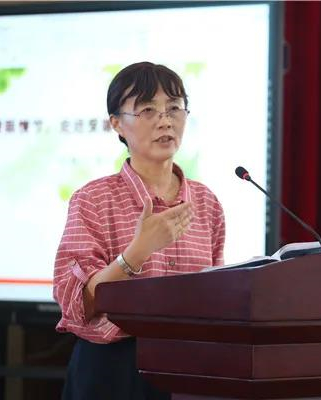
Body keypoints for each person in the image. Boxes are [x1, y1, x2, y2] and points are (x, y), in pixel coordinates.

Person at [53, 62, 226, 400]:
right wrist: (137, 253)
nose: (165, 120)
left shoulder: (206, 202)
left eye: (174, 108)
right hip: (113, 369)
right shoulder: (93, 199)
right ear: (117, 123)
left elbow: (216, 291)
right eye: (148, 110)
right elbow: (76, 304)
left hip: (191, 365)